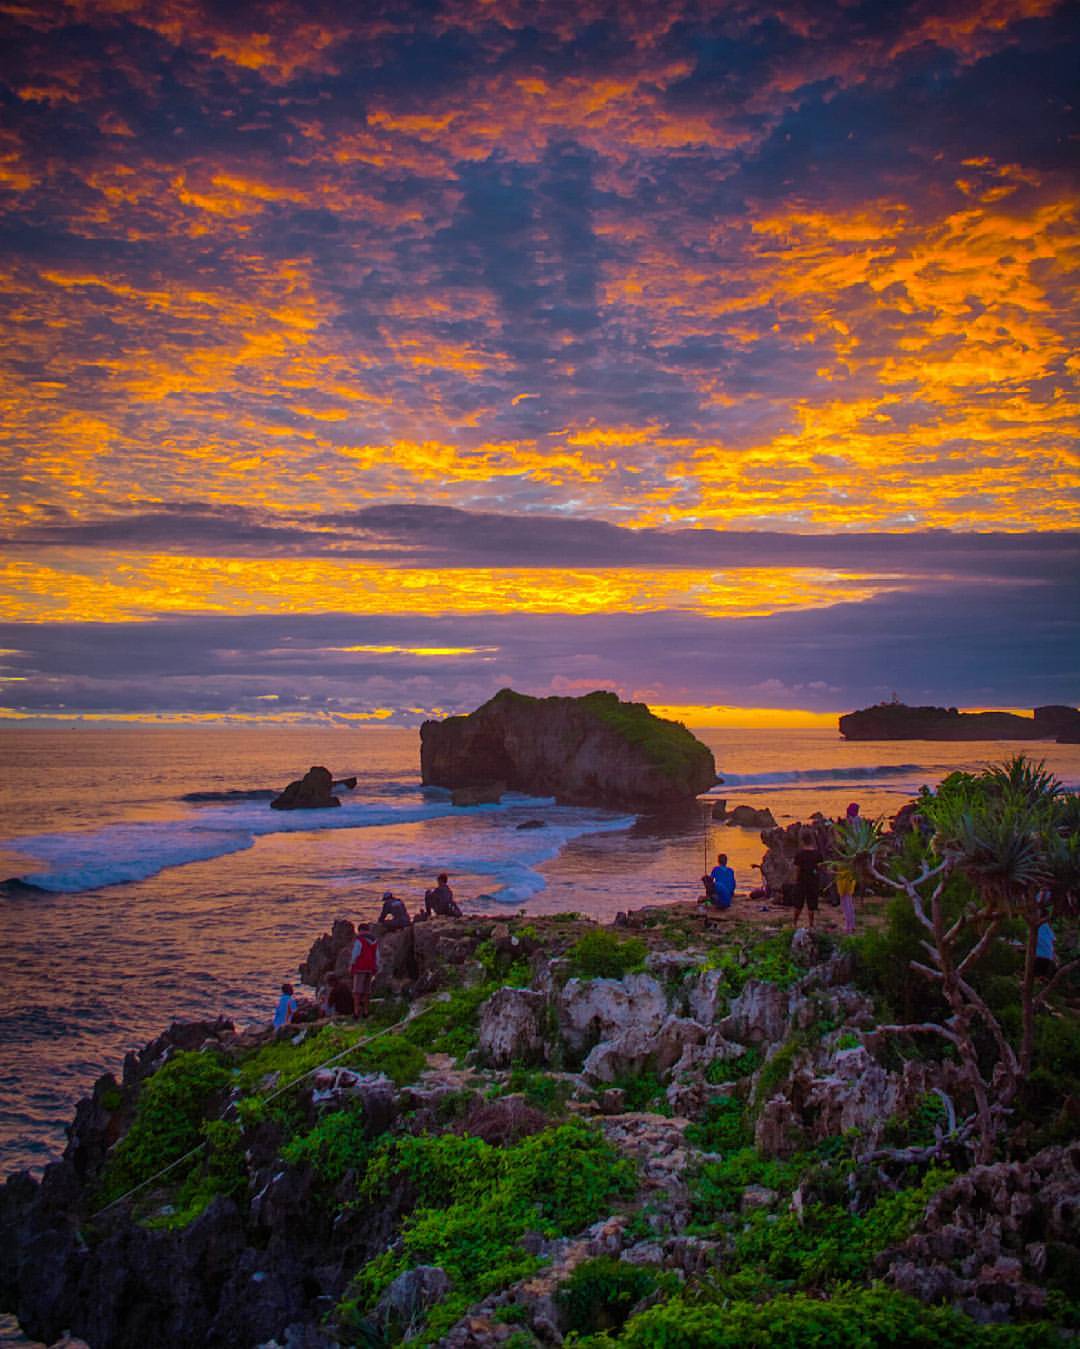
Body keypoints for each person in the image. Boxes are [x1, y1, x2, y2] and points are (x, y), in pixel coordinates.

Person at [792, 830, 824, 930]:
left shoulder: (800, 854)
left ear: (802, 841)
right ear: (812, 840)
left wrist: (796, 880)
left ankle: (794, 923)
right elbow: (821, 867)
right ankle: (811, 924)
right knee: (811, 904)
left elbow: (797, 869)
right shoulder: (817, 854)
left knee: (798, 904)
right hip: (813, 881)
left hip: (802, 881)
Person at [349, 925, 380, 1018]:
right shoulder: (374, 941)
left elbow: (355, 954)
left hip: (360, 968)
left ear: (360, 931)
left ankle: (356, 1012)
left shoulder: (360, 940)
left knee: (357, 991)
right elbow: (377, 955)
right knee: (367, 991)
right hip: (370, 968)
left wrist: (351, 964)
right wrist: (377, 966)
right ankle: (366, 1011)